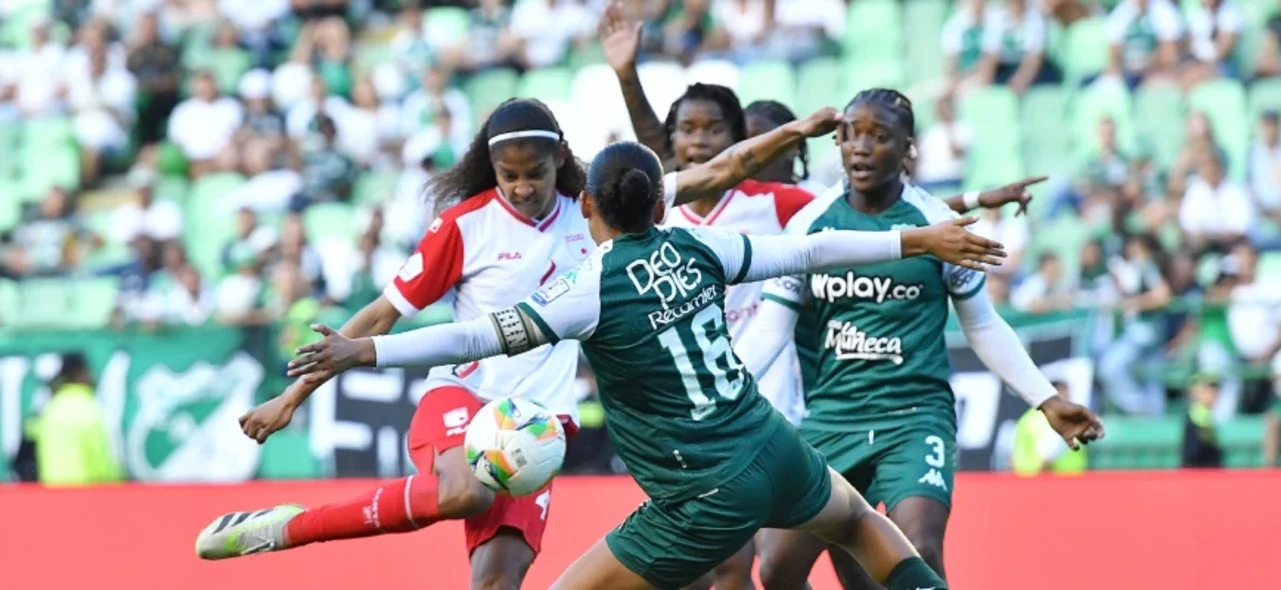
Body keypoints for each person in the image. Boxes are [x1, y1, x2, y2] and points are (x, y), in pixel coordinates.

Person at [282, 139, 1011, 590]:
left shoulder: (582, 290)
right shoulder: (704, 248)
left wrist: (363, 350)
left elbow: (470, 339)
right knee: (855, 522)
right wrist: (918, 240)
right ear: (662, 200)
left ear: (589, 207)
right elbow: (811, 249)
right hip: (773, 445)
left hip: (700, 493)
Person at [193, 100, 852, 588]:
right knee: (463, 493)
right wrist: (292, 396)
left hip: (535, 429)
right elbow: (376, 318)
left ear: (558, 161)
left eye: (532, 173)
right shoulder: (464, 226)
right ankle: (286, 527)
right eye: (506, 175)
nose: (520, 187)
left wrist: (794, 132)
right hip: (464, 394)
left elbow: (721, 171)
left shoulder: (599, 208)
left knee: (498, 582)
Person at [733, 88, 1105, 589]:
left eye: (879, 137)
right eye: (850, 135)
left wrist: (1046, 399)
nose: (861, 148)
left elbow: (983, 324)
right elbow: (772, 324)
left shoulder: (937, 225)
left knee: (920, 548)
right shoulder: (809, 226)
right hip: (831, 419)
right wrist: (720, 391)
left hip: (913, 417)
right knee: (777, 566)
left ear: (909, 148)